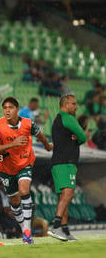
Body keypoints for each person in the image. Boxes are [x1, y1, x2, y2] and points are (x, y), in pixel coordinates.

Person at [0, 96, 52, 244]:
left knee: (24, 191)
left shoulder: (28, 123)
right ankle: (24, 228)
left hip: (24, 162)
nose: (7, 111)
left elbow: (40, 135)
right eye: (5, 108)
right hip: (5, 167)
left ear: (17, 110)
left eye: (10, 108)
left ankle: (27, 231)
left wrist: (47, 146)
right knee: (14, 200)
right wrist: (13, 144)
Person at [48, 94, 86, 241]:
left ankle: (65, 230)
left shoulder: (58, 119)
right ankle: (56, 226)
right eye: (74, 104)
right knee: (69, 194)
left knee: (64, 196)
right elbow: (83, 136)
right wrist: (78, 137)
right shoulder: (68, 118)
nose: (76, 107)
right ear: (66, 104)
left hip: (57, 162)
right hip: (66, 163)